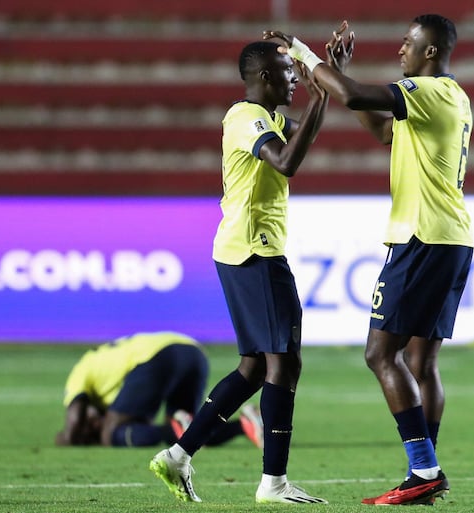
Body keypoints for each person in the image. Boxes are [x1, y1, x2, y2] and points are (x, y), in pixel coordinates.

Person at [264, 14, 473, 506]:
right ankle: (424, 469)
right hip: (451, 236)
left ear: (429, 52)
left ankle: (424, 469)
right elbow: (383, 130)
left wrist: (304, 54)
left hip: (421, 236)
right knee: (421, 359)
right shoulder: (453, 98)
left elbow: (356, 94)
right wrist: (333, 73)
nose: (400, 50)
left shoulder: (432, 91)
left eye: (408, 43)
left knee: (381, 354)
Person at [149, 39, 332, 505]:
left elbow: (305, 135)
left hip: (243, 249)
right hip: (255, 251)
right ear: (264, 78)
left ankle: (179, 455)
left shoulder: (267, 118)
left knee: (254, 367)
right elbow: (288, 161)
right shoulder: (247, 116)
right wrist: (321, 93)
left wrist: (313, 67)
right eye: (287, 74)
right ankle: (273, 482)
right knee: (284, 361)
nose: (294, 81)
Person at [55, 331, 263, 448]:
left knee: (110, 434)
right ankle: (244, 424)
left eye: (90, 421)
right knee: (189, 436)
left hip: (156, 356)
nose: (92, 422)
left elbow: (74, 415)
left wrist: (69, 438)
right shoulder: (105, 374)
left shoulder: (80, 370)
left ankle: (174, 428)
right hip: (194, 352)